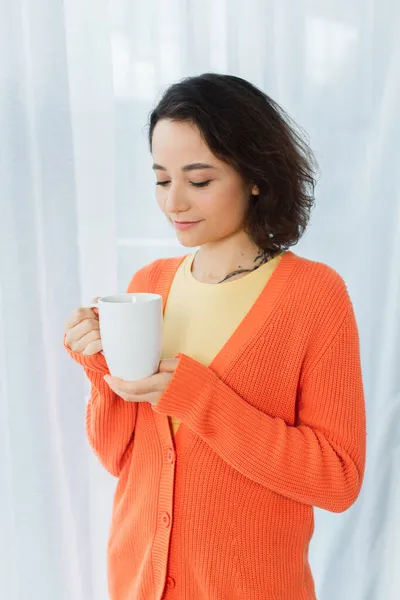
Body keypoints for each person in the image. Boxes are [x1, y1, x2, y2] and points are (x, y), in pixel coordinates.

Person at [64, 73, 366, 600]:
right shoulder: (148, 287)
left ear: (255, 175)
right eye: (161, 180)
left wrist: (202, 399)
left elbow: (338, 480)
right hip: (138, 581)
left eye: (199, 181)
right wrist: (99, 367)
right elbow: (119, 459)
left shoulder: (314, 295)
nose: (173, 202)